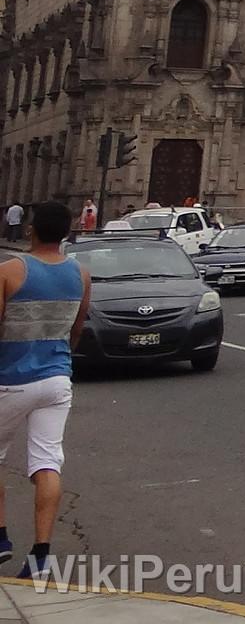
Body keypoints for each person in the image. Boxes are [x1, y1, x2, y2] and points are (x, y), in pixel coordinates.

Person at [0, 202, 90, 579]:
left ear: (30, 230)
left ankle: (1, 537)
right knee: (46, 462)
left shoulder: (10, 270)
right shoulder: (80, 274)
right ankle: (40, 554)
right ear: (67, 233)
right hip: (56, 378)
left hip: (11, 379)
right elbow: (77, 329)